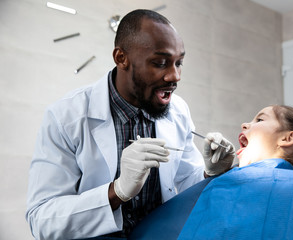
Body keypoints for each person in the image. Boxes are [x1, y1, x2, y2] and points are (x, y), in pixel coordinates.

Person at [25, 9, 235, 240]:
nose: (175, 76)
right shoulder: (65, 115)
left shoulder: (178, 110)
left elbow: (185, 181)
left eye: (179, 63)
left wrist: (209, 173)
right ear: (121, 58)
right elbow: (41, 219)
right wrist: (118, 191)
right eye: (160, 63)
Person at [129, 105, 293, 239]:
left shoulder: (244, 183)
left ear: (288, 138)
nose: (244, 125)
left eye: (259, 119)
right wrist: (213, 175)